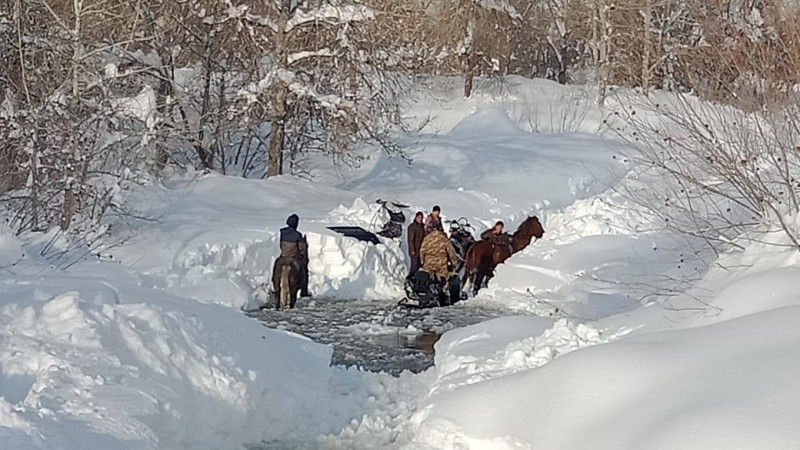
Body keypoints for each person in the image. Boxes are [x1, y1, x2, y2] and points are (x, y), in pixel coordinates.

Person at [279, 214, 310, 297]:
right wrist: (302, 255)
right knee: (304, 271)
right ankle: (304, 291)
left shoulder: (282, 232)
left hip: (283, 256)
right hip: (293, 257)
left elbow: (281, 245)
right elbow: (301, 249)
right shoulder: (298, 235)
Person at [407, 211, 425, 279]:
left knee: (420, 267)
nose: (420, 219)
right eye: (419, 217)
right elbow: (410, 240)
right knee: (414, 266)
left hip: (421, 250)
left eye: (421, 218)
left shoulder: (422, 227)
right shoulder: (412, 227)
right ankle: (409, 279)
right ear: (416, 217)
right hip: (414, 251)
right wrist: (412, 250)